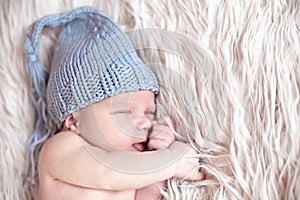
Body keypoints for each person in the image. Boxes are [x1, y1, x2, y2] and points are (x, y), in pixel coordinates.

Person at [24, 6, 205, 200]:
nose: (146, 123)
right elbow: (106, 173)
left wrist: (159, 156)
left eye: (150, 114)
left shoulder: (130, 170)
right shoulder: (60, 149)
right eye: (123, 113)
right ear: (73, 121)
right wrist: (169, 162)